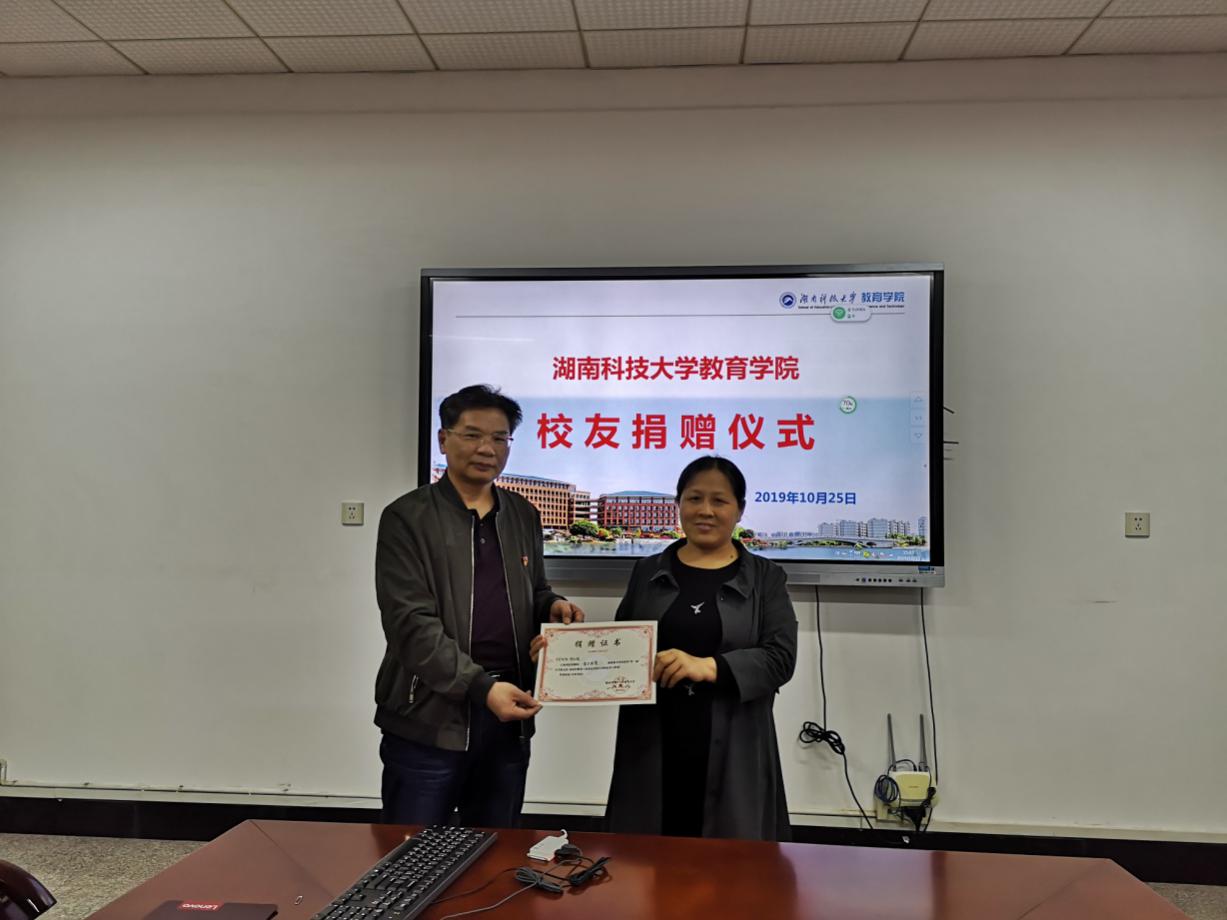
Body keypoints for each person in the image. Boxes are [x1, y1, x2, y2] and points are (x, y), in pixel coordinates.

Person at [374, 384, 584, 828]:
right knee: (412, 853)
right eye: (472, 435)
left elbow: (534, 588)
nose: (487, 449)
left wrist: (552, 607)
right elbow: (410, 624)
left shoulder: (523, 514)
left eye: (499, 438)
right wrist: (480, 687)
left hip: (507, 715)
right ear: (443, 439)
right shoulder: (406, 517)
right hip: (428, 715)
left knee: (496, 850)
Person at [604, 456, 798, 840]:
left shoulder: (766, 578)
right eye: (694, 498)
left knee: (733, 863)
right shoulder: (646, 571)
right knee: (645, 858)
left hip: (735, 745)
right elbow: (621, 650)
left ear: (739, 509)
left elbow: (780, 659)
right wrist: (558, 656)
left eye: (719, 500)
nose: (705, 510)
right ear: (679, 504)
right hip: (652, 743)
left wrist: (709, 666)